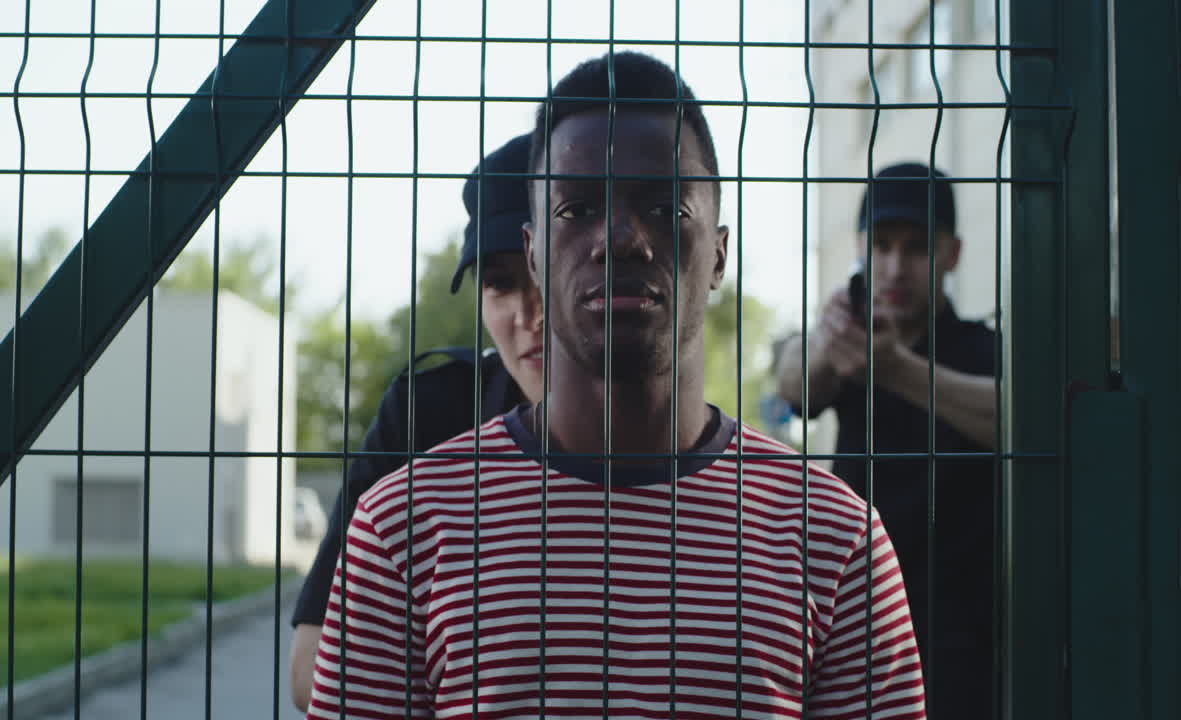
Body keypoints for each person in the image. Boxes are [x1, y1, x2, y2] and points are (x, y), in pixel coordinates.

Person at [305, 52, 926, 719]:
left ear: (719, 253)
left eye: (664, 206)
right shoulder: (404, 525)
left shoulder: (833, 535)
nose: (622, 238)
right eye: (576, 208)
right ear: (534, 251)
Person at [287, 132, 543, 710]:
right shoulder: (429, 413)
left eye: (545, 273)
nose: (528, 313)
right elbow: (312, 671)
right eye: (500, 282)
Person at [775, 162, 998, 718]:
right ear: (860, 250)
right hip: (853, 623)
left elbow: (1021, 419)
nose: (896, 267)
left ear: (952, 254)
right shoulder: (850, 339)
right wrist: (829, 342)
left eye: (917, 247)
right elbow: (794, 386)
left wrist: (894, 367)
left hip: (961, 637)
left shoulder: (981, 349)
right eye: (882, 246)